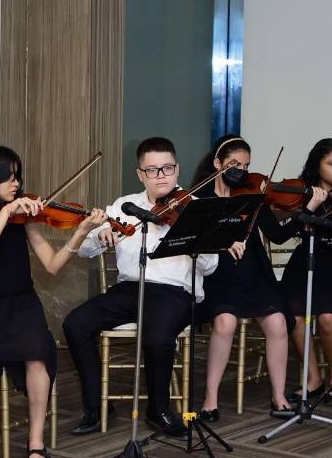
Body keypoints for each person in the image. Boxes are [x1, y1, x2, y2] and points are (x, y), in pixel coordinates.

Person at [0, 145, 107, 458]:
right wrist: (5, 214)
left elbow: (52, 265)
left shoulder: (24, 216)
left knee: (38, 352)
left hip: (21, 303)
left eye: (17, 176)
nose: (16, 184)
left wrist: (81, 232)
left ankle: (35, 441)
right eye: (8, 177)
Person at [63, 137, 218, 437]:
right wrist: (100, 237)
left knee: (158, 336)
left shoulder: (196, 208)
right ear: (140, 174)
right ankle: (95, 406)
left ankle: (158, 411)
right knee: (75, 324)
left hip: (176, 293)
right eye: (152, 170)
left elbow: (210, 266)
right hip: (131, 289)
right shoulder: (125, 206)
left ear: (177, 169)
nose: (161, 176)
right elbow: (84, 251)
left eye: (167, 168)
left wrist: (188, 237)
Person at [189, 135, 295, 420]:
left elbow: (278, 234)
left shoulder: (251, 197)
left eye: (246, 166)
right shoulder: (201, 198)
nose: (241, 171)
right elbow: (192, 241)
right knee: (225, 322)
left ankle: (279, 396)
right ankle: (210, 398)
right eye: (234, 164)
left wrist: (302, 212)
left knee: (277, 322)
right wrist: (223, 243)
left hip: (253, 275)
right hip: (215, 276)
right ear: (217, 163)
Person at [278, 139, 332, 408]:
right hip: (308, 262)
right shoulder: (302, 193)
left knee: (328, 317)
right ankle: (313, 378)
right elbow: (287, 232)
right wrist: (311, 208)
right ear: (317, 167)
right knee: (292, 313)